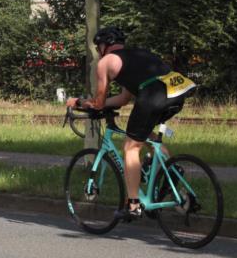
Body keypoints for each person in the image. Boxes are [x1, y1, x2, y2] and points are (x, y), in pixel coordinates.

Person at [66, 27, 196, 220]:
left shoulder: (105, 62)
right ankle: (169, 169)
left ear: (103, 45)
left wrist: (78, 103)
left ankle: (133, 204)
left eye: (98, 46)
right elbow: (122, 99)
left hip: (153, 95)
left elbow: (99, 102)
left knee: (130, 147)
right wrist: (97, 105)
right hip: (176, 93)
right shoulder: (137, 56)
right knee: (146, 137)